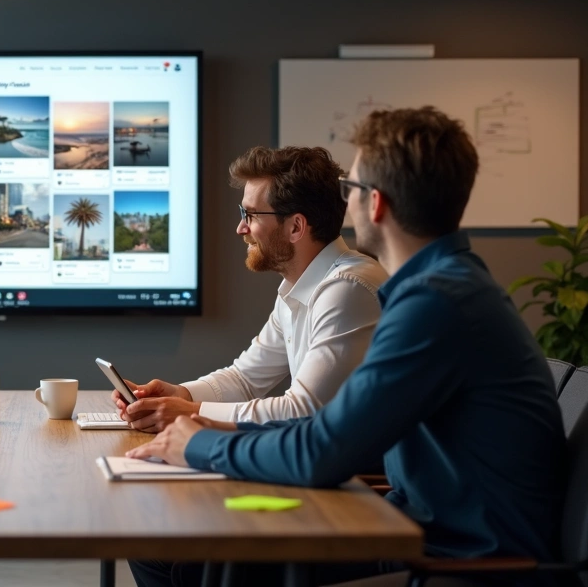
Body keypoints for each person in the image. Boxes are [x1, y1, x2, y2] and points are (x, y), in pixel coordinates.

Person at [126, 107, 567, 587]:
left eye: (351, 189)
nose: (344, 204)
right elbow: (319, 430)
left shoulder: (435, 303)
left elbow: (320, 446)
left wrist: (200, 442)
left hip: (461, 559)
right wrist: (195, 415)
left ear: (375, 203)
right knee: (201, 559)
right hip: (417, 526)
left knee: (217, 567)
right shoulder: (442, 288)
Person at [114, 146, 387, 430]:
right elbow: (244, 379)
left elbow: (303, 411)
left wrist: (188, 412)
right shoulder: (298, 287)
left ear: (296, 227)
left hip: (366, 474)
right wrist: (181, 395)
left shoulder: (346, 289)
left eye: (251, 214)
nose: (241, 228)